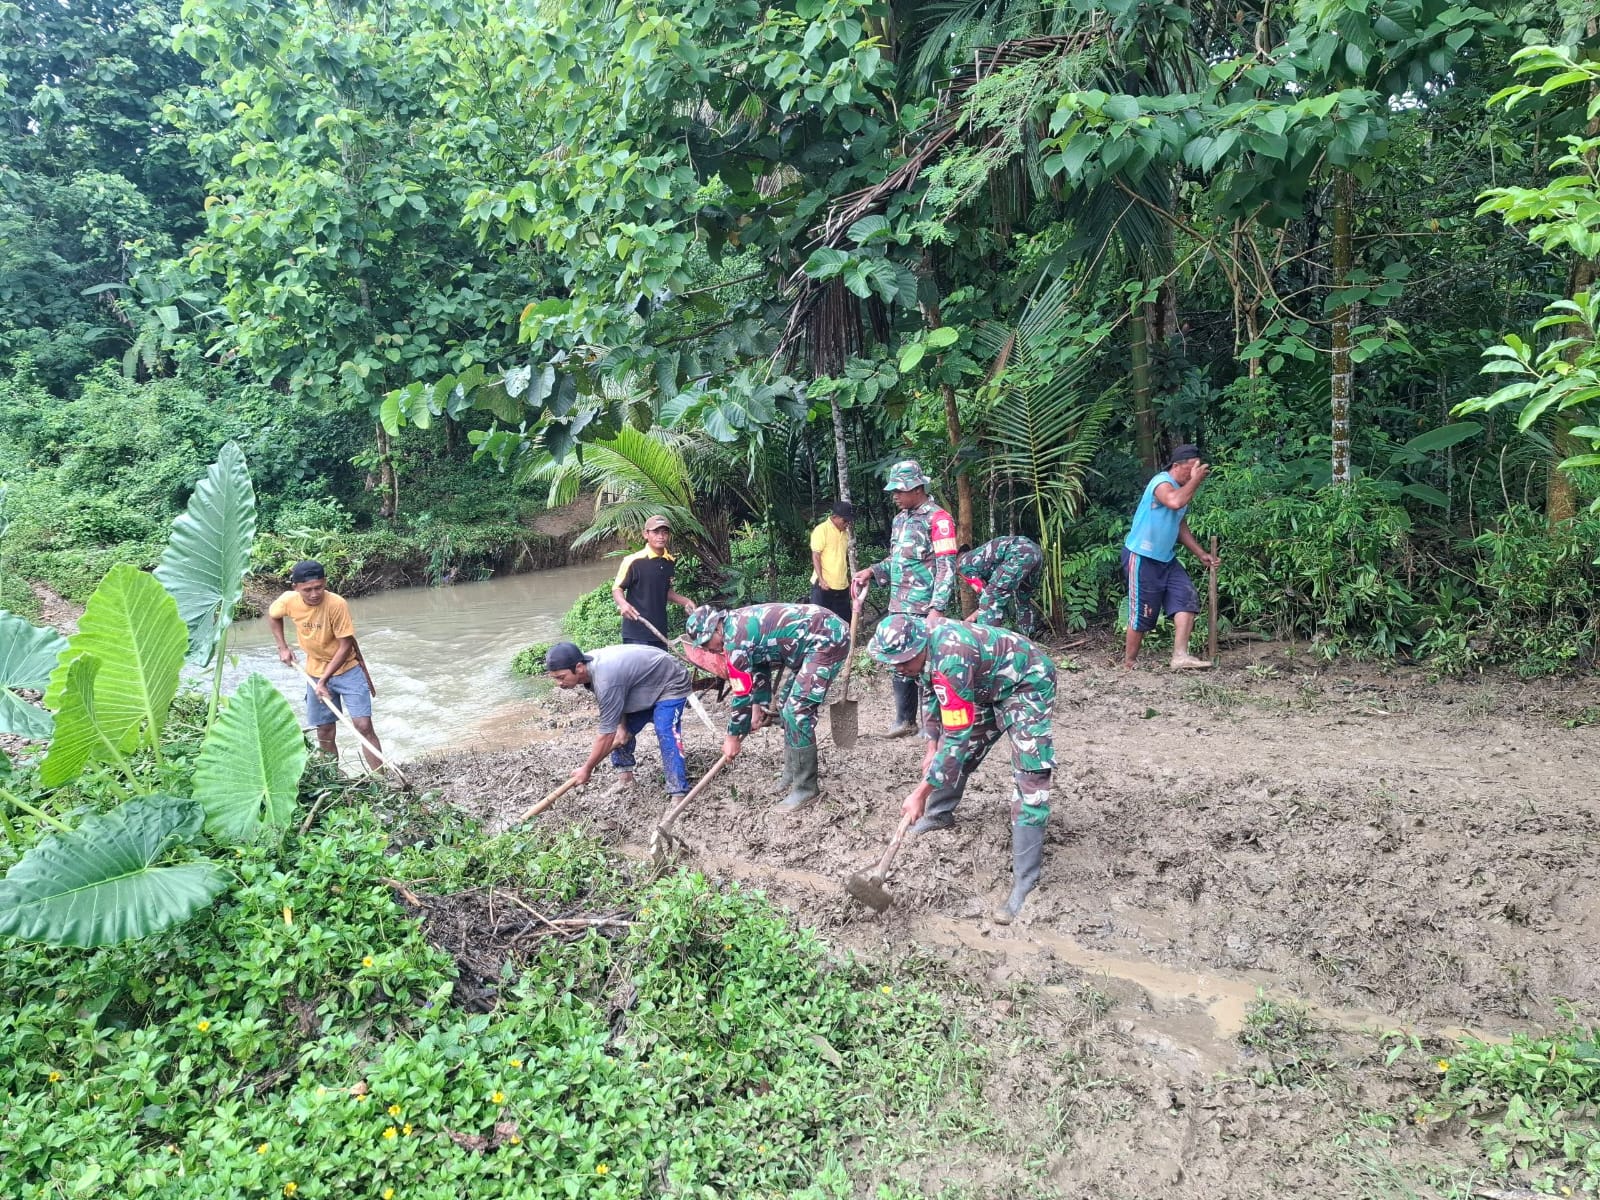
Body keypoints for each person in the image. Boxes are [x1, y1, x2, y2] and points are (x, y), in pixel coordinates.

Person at [867, 613, 1055, 924]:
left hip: (1027, 683)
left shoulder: (951, 658)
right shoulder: (925, 651)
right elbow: (932, 694)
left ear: (919, 647)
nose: (898, 668)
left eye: (903, 662)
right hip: (985, 685)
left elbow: (956, 736)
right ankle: (940, 815)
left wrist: (920, 792)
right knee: (956, 753)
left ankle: (1025, 881)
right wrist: (931, 746)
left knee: (1030, 776)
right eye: (893, 663)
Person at [683, 602, 850, 812]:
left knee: (796, 711)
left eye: (708, 642)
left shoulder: (735, 641)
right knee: (784, 705)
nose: (709, 649)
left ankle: (806, 788)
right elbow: (760, 663)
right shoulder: (735, 629)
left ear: (717, 627)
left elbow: (741, 693)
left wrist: (732, 737)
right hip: (809, 644)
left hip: (827, 639)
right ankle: (792, 773)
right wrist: (759, 705)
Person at [850, 460, 958, 737]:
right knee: (899, 661)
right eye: (893, 490)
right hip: (899, 605)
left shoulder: (939, 520)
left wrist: (937, 608)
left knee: (926, 664)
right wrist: (872, 571)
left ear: (917, 488)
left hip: (924, 606)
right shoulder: (900, 520)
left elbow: (947, 566)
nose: (895, 496)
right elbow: (898, 560)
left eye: (899, 490)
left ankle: (931, 724)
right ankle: (904, 720)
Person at [269, 559, 384, 769]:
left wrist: (324, 680)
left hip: (347, 670)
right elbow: (273, 615)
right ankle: (332, 779)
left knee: (363, 725)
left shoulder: (336, 604)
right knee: (324, 730)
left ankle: (382, 778)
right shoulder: (288, 600)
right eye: (308, 590)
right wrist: (282, 647)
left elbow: (345, 646)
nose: (314, 594)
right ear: (296, 588)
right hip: (314, 670)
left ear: (325, 583)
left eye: (319, 587)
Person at [545, 641, 690, 801]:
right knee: (619, 733)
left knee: (665, 730)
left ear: (579, 667)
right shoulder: (590, 670)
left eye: (561, 677)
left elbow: (606, 734)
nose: (559, 684)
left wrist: (586, 768)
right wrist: (621, 727)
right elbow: (616, 703)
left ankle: (678, 793)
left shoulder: (604, 679)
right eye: (555, 679)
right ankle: (625, 779)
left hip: (670, 681)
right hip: (641, 685)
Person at [1121, 444, 1219, 670]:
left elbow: (1179, 522)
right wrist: (1196, 480)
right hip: (1142, 556)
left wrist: (1200, 553)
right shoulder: (1161, 482)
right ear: (1177, 466)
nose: (1194, 473)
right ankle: (1129, 663)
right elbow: (1175, 501)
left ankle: (1180, 656)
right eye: (1191, 469)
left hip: (1166, 558)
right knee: (1142, 613)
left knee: (1185, 596)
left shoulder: (1183, 488)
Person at [612, 515, 696, 650]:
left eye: (665, 532)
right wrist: (623, 604)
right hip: (636, 633)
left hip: (660, 632)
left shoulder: (669, 561)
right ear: (646, 534)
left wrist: (685, 601)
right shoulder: (633, 561)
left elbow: (665, 591)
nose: (661, 536)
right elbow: (617, 589)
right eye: (656, 532)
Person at [956, 535, 1044, 636]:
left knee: (990, 600)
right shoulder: (974, 555)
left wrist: (971, 618)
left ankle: (990, 643)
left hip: (1017, 553)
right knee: (1023, 598)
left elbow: (987, 596)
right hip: (1035, 551)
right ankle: (1028, 637)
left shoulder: (962, 565)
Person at [808, 501, 854, 624]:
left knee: (844, 622)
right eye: (845, 521)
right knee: (819, 622)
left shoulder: (844, 533)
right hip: (824, 586)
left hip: (842, 586)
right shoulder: (821, 530)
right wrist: (822, 580)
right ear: (835, 517)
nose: (847, 524)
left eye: (849, 521)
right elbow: (816, 555)